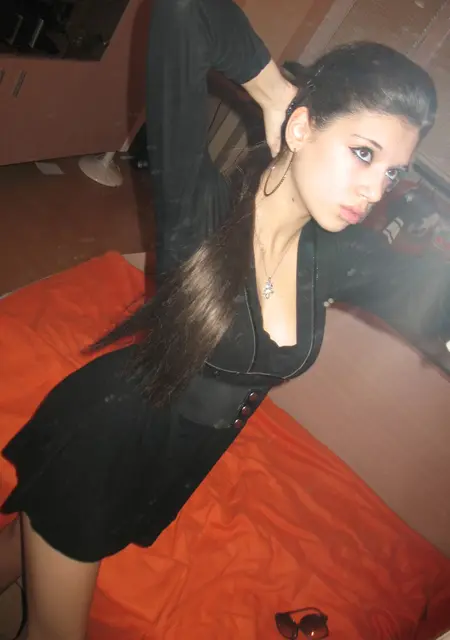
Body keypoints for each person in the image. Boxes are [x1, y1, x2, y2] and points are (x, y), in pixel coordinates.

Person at [0, 0, 445, 638]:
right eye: (363, 153)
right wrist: (275, 93)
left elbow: (430, 295)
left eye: (392, 171)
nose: (376, 191)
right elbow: (187, 13)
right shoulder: (200, 211)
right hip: (106, 438)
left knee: (24, 546)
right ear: (303, 128)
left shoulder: (333, 255)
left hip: (168, 464)